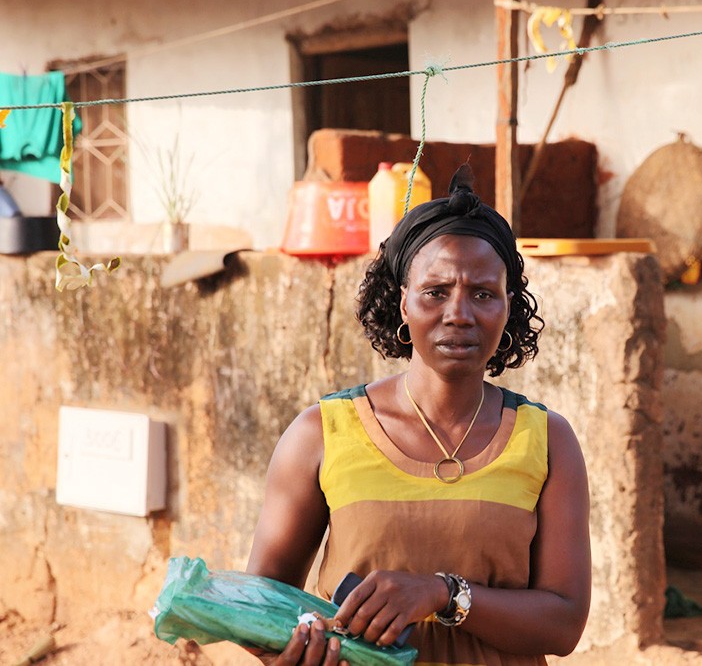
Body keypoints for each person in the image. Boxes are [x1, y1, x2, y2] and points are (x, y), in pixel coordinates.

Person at [245, 165, 591, 666]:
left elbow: (562, 625)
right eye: (435, 291)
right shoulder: (322, 433)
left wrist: (444, 594)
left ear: (508, 308)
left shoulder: (548, 441)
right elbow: (261, 608)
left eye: (483, 293)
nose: (459, 313)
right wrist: (292, 652)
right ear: (402, 301)